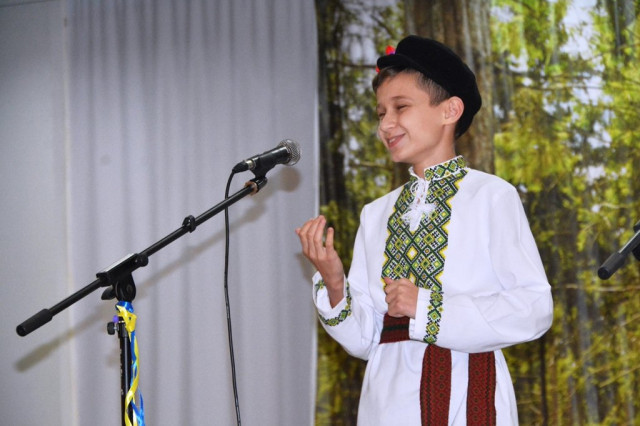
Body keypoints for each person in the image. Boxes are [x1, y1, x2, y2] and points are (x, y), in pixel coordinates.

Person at [296, 35, 553, 425]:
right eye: (380, 112)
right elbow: (365, 340)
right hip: (387, 404)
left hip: (467, 392)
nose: (386, 124)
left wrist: (427, 307)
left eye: (401, 107)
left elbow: (534, 308)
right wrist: (334, 282)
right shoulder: (376, 214)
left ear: (450, 110)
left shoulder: (491, 196)